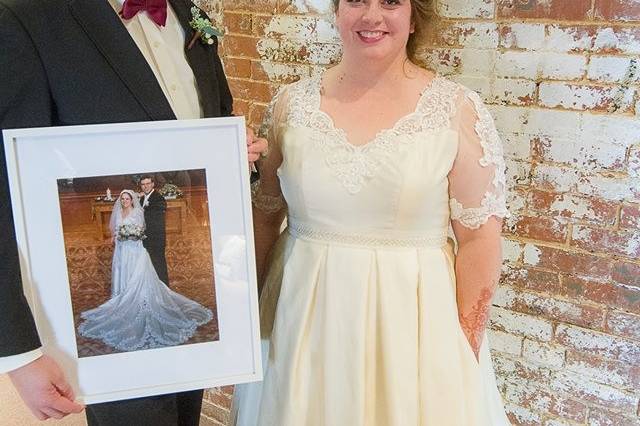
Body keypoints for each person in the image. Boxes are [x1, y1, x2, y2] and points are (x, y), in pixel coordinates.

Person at [234, 0, 511, 424]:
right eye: (356, 0)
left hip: (413, 333)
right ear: (337, 10)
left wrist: (463, 345)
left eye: (391, 2)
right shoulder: (291, 105)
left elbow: (479, 239)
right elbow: (263, 218)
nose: (371, 16)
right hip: (304, 326)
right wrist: (238, 315)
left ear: (415, 16)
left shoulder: (456, 111)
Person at [0, 0, 267, 424]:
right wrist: (17, 351)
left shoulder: (186, 12)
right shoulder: (29, 18)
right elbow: (6, 186)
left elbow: (207, 132)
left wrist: (237, 156)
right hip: (100, 337)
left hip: (194, 288)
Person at [78, 190, 213, 351]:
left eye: (127, 199)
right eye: (123, 199)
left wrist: (133, 235)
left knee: (137, 276)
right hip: (122, 250)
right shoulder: (119, 212)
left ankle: (140, 298)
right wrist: (118, 236)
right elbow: (115, 230)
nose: (125, 201)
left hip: (135, 249)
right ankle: (123, 295)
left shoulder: (137, 212)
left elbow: (141, 230)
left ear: (132, 200)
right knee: (124, 273)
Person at [140, 175, 171, 286]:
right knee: (150, 265)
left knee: (159, 265)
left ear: (153, 184)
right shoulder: (143, 198)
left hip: (156, 239)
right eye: (143, 184)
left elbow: (155, 220)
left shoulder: (158, 198)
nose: (145, 186)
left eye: (148, 184)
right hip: (147, 238)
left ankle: (164, 289)